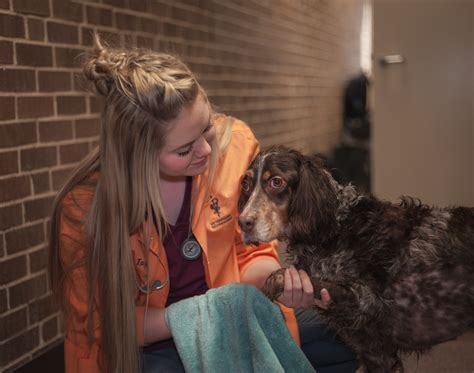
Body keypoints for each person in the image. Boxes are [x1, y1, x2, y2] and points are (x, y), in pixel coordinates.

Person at [49, 35, 357, 373]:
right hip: (153, 340)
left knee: (349, 335)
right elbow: (104, 324)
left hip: (234, 316)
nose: (207, 151)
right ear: (138, 156)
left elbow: (250, 254)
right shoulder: (84, 209)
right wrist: (201, 317)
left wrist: (281, 284)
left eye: (207, 127)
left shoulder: (235, 148)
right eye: (184, 150)